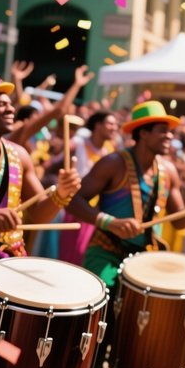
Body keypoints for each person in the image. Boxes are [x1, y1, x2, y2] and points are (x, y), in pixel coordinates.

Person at [66, 100, 185, 368]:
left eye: (170, 132)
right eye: (163, 131)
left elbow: (180, 221)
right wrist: (110, 222)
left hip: (142, 258)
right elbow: (74, 201)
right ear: (142, 133)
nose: (170, 137)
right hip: (105, 251)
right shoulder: (112, 163)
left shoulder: (168, 170)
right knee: (99, 307)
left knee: (166, 307)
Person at [0, 73, 80, 301]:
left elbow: (39, 213)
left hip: (9, 259)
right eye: (1, 105)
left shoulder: (19, 155)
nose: (11, 109)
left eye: (10, 104)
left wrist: (61, 194)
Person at [59, 111, 119, 265]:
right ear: (97, 125)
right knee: (69, 256)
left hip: (93, 214)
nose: (114, 128)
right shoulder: (76, 144)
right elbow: (51, 167)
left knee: (82, 257)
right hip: (72, 209)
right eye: (110, 123)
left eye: (115, 124)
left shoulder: (109, 152)